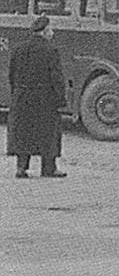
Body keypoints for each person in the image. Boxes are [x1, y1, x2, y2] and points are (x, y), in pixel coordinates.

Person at [7, 14, 66, 179]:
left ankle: (21, 168)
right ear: (45, 31)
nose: (52, 33)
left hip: (22, 95)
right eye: (51, 29)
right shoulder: (50, 50)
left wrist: (17, 93)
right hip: (44, 98)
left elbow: (11, 75)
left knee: (23, 132)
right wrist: (60, 99)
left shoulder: (18, 49)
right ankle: (49, 168)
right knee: (48, 132)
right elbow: (56, 77)